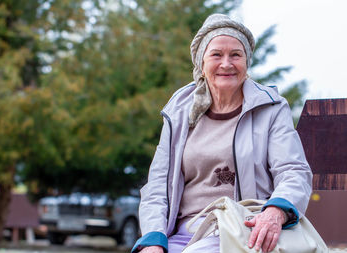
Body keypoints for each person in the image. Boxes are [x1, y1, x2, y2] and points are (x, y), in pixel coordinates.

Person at [131, 13, 312, 253]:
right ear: (201, 64)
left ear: (246, 63)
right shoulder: (178, 113)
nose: (226, 64)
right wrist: (153, 239)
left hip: (241, 229)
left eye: (236, 55)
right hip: (183, 234)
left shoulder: (271, 108)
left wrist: (275, 212)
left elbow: (293, 171)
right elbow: (157, 187)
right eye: (216, 54)